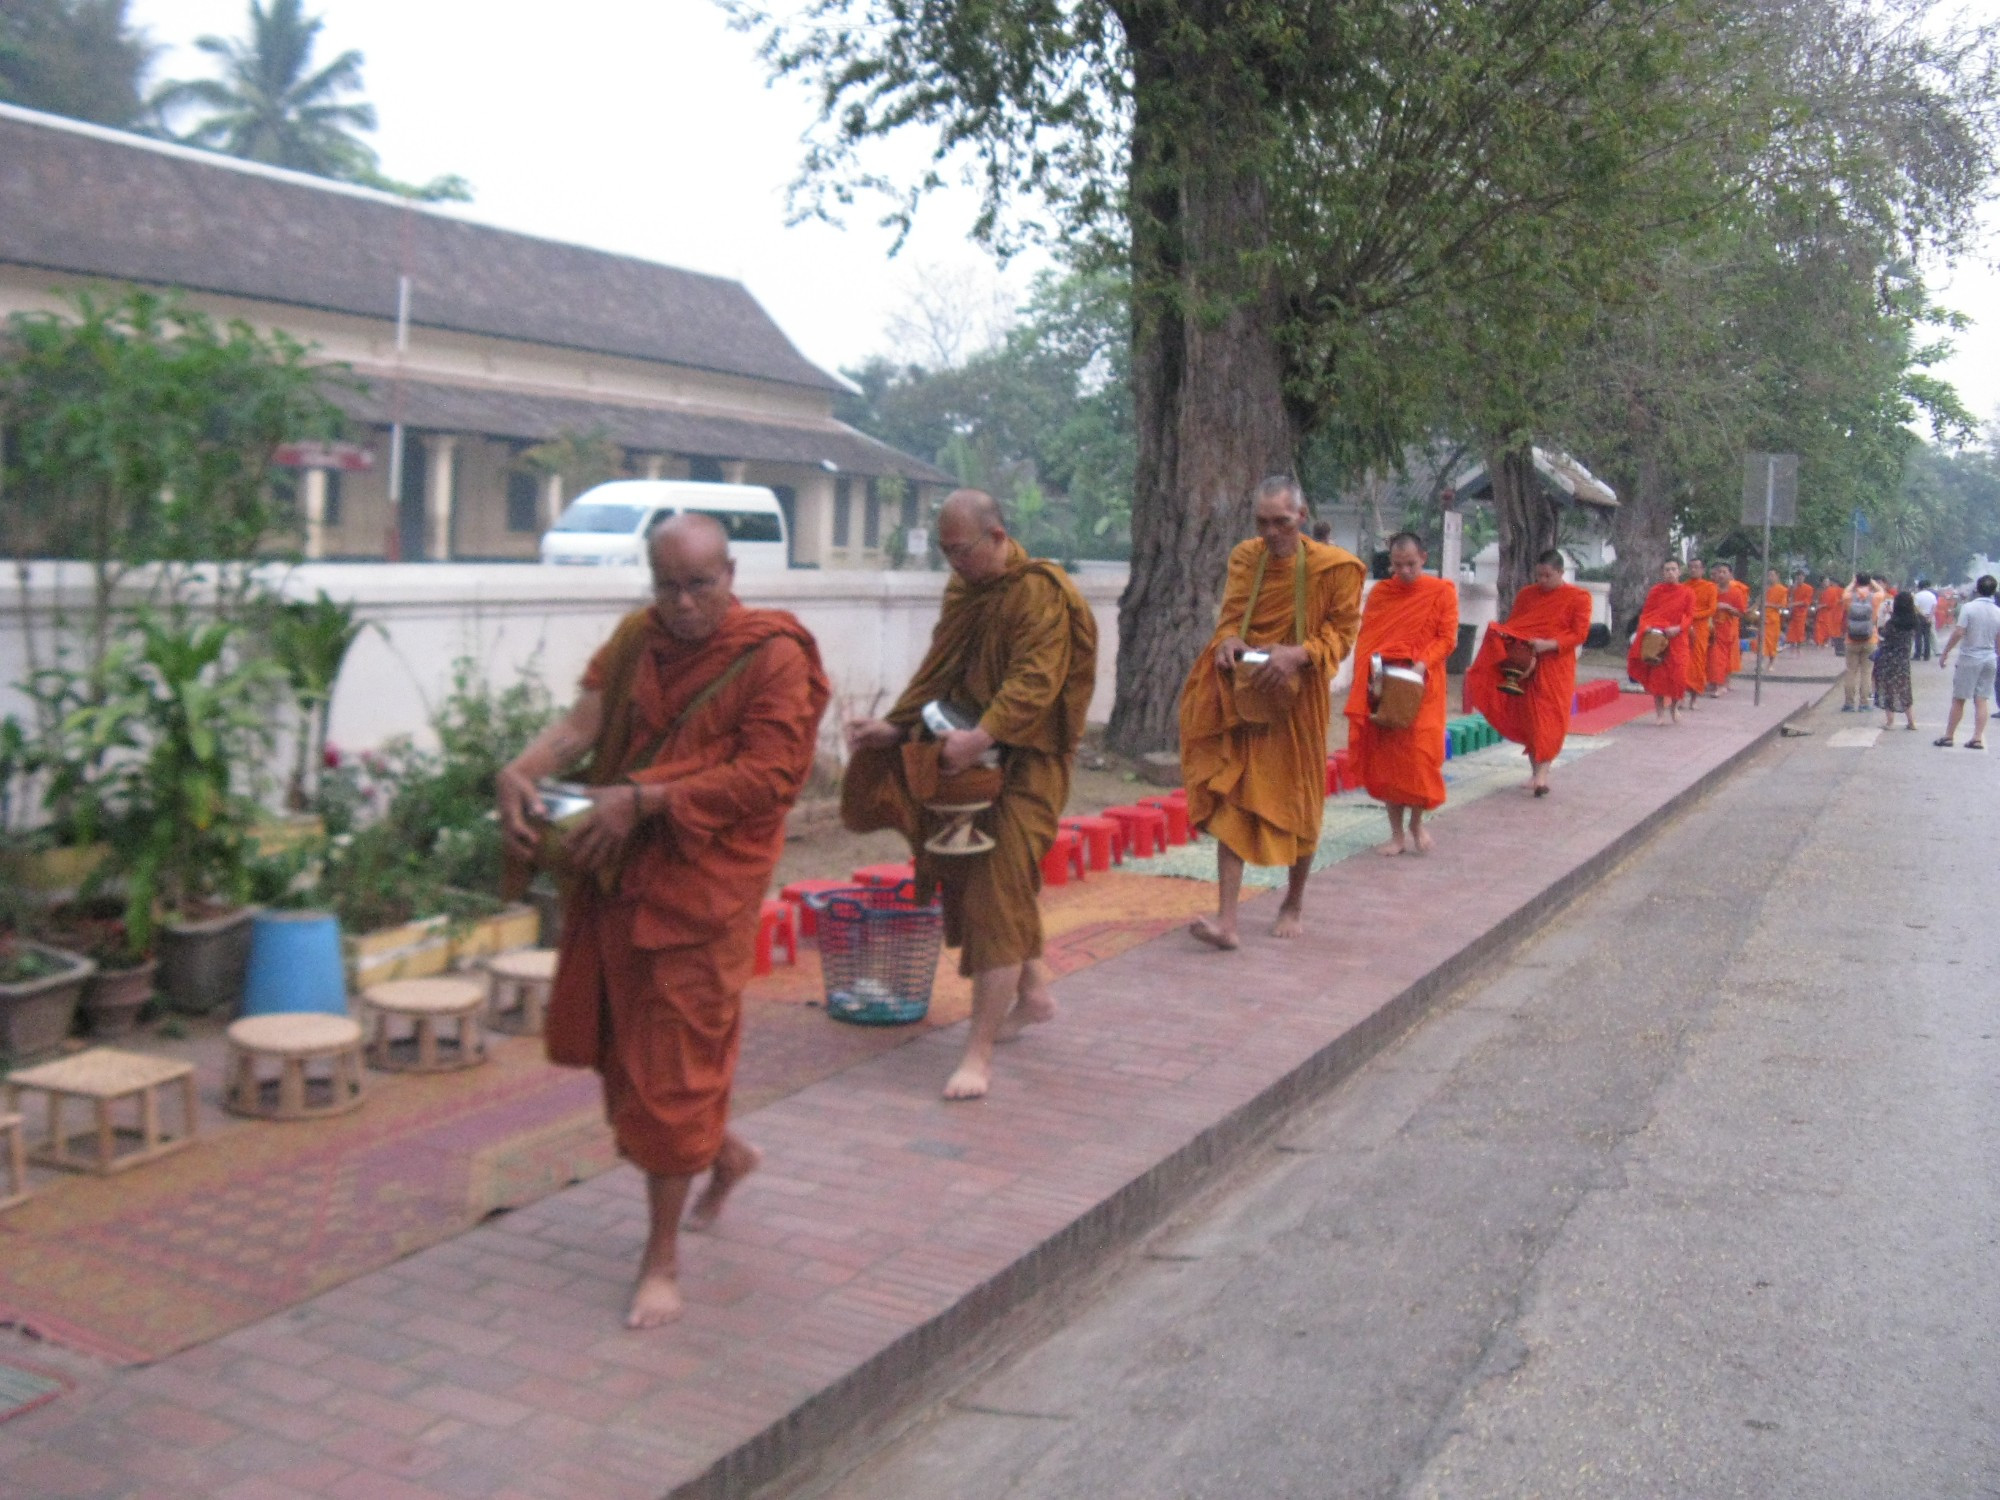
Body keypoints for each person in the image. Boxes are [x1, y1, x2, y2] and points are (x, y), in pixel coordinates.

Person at [498, 514, 831, 1329]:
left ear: (731, 573)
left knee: (675, 1071)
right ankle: (726, 1155)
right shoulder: (635, 639)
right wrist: (522, 769)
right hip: (618, 870)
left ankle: (661, 1259)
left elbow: (770, 776)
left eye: (699, 585)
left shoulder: (774, 656)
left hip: (699, 888)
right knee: (625, 1061)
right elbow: (583, 724)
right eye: (666, 587)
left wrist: (648, 798)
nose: (682, 605)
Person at [842, 489, 1099, 1100]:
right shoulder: (965, 591)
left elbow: (1036, 681)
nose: (954, 563)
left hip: (1028, 761)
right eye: (946, 552)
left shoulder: (1039, 591)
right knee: (983, 876)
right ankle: (1031, 990)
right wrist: (899, 727)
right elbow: (941, 672)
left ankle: (977, 1054)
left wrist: (984, 733)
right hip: (969, 761)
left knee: (994, 886)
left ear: (997, 536)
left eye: (962, 550)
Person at [1181, 476, 1365, 948]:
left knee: (1300, 799)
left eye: (1281, 522)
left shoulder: (1337, 568)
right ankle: (1227, 921)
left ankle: (1293, 901)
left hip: (1299, 701)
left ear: (1301, 518)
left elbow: (1341, 636)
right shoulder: (1246, 557)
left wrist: (1297, 655)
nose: (1271, 533)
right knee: (1233, 797)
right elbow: (1232, 617)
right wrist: (1229, 642)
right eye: (1262, 523)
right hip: (1247, 697)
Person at [1344, 531, 1458, 855]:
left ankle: (1416, 825)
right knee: (1389, 761)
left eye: (1410, 564)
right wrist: (1371, 677)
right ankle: (1396, 835)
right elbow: (1367, 639)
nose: (1404, 572)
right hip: (1385, 685)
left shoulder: (1441, 592)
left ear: (1423, 557)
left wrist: (1422, 663)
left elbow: (1448, 639)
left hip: (1423, 686)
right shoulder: (1382, 593)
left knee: (1420, 757)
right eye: (1397, 565)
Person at [1464, 549, 1592, 796]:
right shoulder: (1527, 595)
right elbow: (1517, 624)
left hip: (1556, 665)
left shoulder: (1578, 597)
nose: (1542, 581)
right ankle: (1536, 773)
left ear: (1561, 573)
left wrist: (1551, 644)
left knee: (1550, 717)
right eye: (1539, 576)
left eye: (1548, 576)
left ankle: (1542, 776)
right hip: (1525, 665)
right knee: (1530, 718)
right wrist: (1502, 636)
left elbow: (1579, 634)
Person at [1935, 574, 2000, 749]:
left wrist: (1946, 652)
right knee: (1982, 699)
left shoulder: (1969, 608)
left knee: (1959, 698)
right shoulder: (1998, 611)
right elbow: (1999, 639)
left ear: (1977, 589)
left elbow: (1958, 633)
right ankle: (1977, 738)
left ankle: (1949, 736)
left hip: (1970, 657)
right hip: (1989, 658)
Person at [1628, 558, 1694, 724]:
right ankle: (1660, 714)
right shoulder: (1656, 591)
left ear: (1679, 572)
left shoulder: (1688, 592)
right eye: (1667, 570)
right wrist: (1648, 628)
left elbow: (1690, 616)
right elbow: (1646, 614)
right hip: (1658, 638)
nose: (1670, 573)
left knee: (1678, 677)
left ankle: (1674, 708)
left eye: (1673, 569)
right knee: (1658, 678)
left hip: (1678, 638)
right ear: (1662, 573)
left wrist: (1678, 628)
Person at [1874, 589, 1919, 730]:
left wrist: (1887, 615)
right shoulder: (1913, 621)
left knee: (1888, 689)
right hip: (1903, 660)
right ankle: (1911, 721)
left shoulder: (1892, 622)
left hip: (1888, 659)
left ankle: (1890, 721)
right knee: (1904, 689)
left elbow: (1883, 634)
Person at [1839, 572, 1881, 712]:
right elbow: (1881, 591)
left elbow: (1846, 591)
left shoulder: (1849, 597)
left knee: (1850, 671)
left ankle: (1849, 703)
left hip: (1851, 639)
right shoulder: (1875, 597)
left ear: (1856, 582)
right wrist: (1872, 582)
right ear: (1869, 582)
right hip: (1870, 639)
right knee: (1866, 672)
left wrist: (1853, 582)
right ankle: (1864, 704)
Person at [1682, 557, 1717, 709]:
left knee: (1698, 663)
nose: (1693, 570)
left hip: (1701, 628)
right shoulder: (1683, 587)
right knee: (1683, 662)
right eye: (1691, 567)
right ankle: (1680, 697)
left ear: (1703, 570)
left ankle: (1694, 699)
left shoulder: (1710, 587)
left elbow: (1711, 609)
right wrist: (1686, 619)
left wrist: (1693, 616)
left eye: (1697, 567)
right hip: (1684, 627)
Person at [1709, 563, 1749, 694]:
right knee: (1714, 658)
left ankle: (1721, 685)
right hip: (1711, 628)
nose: (1721, 575)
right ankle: (1716, 683)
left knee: (1722, 659)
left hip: (1727, 629)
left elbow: (1742, 613)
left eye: (1724, 572)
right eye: (1719, 572)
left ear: (1730, 575)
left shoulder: (1736, 592)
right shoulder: (1711, 590)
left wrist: (1727, 607)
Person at [1760, 569, 1787, 663]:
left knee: (1772, 643)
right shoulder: (1765, 588)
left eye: (1772, 575)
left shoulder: (1782, 589)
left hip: (1773, 620)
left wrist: (1769, 605)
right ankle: (1760, 663)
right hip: (1763, 618)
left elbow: (1782, 605)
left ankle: (1771, 662)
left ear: (1777, 576)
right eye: (1768, 575)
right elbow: (1759, 601)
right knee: (1761, 642)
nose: (1770, 577)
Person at [1785, 568, 1814, 652]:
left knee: (1800, 631)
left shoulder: (1808, 588)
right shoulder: (1792, 587)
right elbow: (1788, 597)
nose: (1800, 579)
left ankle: (1799, 648)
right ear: (1796, 578)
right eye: (1798, 577)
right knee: (1791, 630)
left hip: (1801, 612)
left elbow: (1806, 602)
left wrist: (1794, 604)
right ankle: (1792, 648)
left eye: (1801, 577)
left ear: (1804, 578)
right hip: (1792, 612)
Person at [1815, 575, 1845, 648]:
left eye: (1828, 581)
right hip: (1820, 613)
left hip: (1830, 613)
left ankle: (1827, 642)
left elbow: (1833, 603)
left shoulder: (1833, 590)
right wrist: (1816, 603)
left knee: (1828, 629)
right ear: (1821, 583)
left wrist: (1822, 605)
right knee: (1819, 628)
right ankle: (1819, 643)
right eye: (1825, 581)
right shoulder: (1819, 591)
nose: (1827, 583)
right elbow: (1816, 599)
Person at [1913, 578, 1938, 661]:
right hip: (1929, 617)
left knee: (1918, 637)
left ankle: (1917, 655)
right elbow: (1934, 607)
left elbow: (1916, 608)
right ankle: (1927, 656)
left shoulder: (1917, 595)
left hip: (1919, 617)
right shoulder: (1932, 595)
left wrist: (1923, 615)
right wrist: (1930, 617)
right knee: (1927, 636)